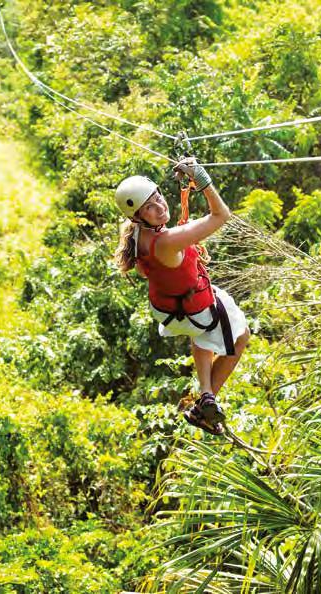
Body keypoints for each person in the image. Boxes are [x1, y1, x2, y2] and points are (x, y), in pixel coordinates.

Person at [113, 157, 250, 435]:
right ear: (137, 216)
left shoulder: (137, 236)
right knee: (242, 334)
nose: (159, 206)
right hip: (194, 311)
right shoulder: (166, 241)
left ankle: (207, 391)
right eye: (149, 207)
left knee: (203, 330)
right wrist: (202, 180)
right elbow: (221, 215)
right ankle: (205, 405)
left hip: (168, 312)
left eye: (158, 197)